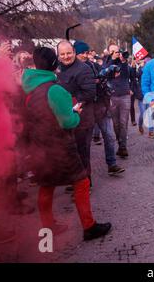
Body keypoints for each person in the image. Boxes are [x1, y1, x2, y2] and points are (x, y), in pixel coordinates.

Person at [22, 47, 111, 241]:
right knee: (82, 183)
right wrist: (76, 113)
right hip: (59, 147)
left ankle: (48, 227)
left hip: (39, 148)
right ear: (54, 64)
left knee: (46, 186)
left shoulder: (28, 89)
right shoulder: (54, 89)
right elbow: (67, 122)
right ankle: (89, 226)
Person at [74, 40, 124, 176]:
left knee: (109, 136)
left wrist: (111, 70)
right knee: (85, 144)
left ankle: (112, 165)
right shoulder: (73, 69)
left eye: (86, 52)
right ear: (75, 53)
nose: (85, 55)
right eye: (81, 53)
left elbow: (106, 73)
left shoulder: (93, 65)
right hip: (85, 110)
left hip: (101, 107)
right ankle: (83, 176)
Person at [57, 41, 96, 188]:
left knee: (82, 152)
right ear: (59, 55)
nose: (66, 56)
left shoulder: (84, 69)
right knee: (71, 152)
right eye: (63, 54)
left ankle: (86, 183)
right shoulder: (58, 69)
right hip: (67, 118)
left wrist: (73, 104)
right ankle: (75, 180)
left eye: (68, 53)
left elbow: (90, 93)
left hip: (82, 118)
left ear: (73, 52)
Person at [103, 44, 133, 158]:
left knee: (123, 123)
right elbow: (105, 72)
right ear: (109, 52)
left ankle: (123, 147)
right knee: (115, 123)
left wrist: (123, 61)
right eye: (113, 51)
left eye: (117, 51)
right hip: (113, 96)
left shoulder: (123, 62)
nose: (116, 53)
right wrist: (113, 60)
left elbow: (127, 73)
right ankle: (120, 143)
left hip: (125, 96)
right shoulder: (106, 62)